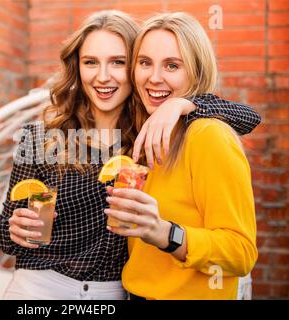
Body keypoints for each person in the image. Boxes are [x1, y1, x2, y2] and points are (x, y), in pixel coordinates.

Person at [0, 10, 260, 300]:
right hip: (42, 286)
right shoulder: (40, 137)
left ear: (131, 68)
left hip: (113, 292)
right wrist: (15, 229)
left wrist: (182, 105)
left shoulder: (146, 133)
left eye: (118, 62)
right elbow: (4, 237)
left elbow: (249, 117)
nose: (103, 76)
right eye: (90, 62)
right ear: (77, 67)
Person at [105, 12, 258, 299]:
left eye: (172, 66)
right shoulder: (140, 135)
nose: (154, 77)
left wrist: (165, 233)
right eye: (145, 63)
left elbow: (241, 252)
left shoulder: (208, 136)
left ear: (196, 73)